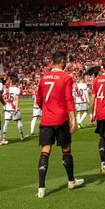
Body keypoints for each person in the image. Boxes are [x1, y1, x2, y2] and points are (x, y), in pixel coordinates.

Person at [35, 51, 83, 198]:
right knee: (66, 149)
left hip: (46, 120)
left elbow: (39, 99)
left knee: (45, 151)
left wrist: (46, 110)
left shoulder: (43, 78)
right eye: (66, 61)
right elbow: (68, 98)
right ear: (62, 61)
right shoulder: (66, 77)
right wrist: (73, 118)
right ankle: (71, 181)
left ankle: (41, 188)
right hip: (61, 119)